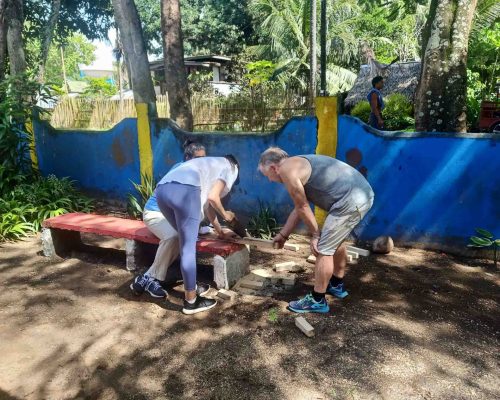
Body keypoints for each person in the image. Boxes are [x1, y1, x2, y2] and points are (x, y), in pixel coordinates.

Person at [258, 147, 374, 314]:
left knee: (324, 248)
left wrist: (315, 235)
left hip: (350, 200)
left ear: (273, 168)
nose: (269, 180)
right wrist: (284, 234)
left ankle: (317, 300)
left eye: (266, 175)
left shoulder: (286, 170)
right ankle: (336, 284)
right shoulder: (297, 165)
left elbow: (303, 206)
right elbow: (299, 208)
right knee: (335, 240)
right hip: (360, 195)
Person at [155, 155, 240, 314]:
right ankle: (191, 301)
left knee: (184, 241)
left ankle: (188, 283)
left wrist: (220, 231)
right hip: (186, 191)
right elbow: (214, 198)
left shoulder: (209, 164)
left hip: (162, 191)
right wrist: (226, 215)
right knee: (188, 247)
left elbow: (208, 206)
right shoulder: (231, 167)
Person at [130, 141, 208, 299]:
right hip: (154, 214)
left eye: (204, 159)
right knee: (174, 235)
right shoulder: (181, 170)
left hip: (171, 215)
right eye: (198, 159)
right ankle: (155, 278)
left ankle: (147, 278)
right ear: (187, 158)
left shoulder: (197, 172)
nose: (202, 163)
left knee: (182, 235)